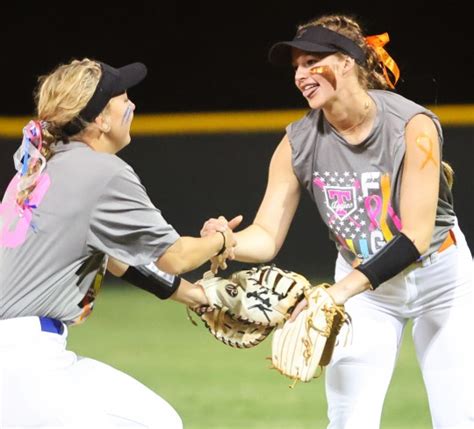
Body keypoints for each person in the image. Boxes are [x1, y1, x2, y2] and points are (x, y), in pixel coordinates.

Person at [201, 14, 474, 429]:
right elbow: (267, 236)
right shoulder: (298, 141)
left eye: (312, 62)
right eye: (296, 66)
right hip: (366, 293)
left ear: (347, 62)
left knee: (459, 418)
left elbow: (416, 236)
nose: (301, 75)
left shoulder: (411, 126)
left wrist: (333, 295)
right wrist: (226, 242)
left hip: (441, 282)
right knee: (349, 422)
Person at [0, 58, 235, 428]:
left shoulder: (41, 164)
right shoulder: (102, 171)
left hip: (26, 354)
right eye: (122, 98)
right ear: (101, 120)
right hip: (24, 362)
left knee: (156, 420)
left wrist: (195, 296)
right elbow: (176, 257)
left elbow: (117, 260)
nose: (132, 105)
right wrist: (221, 239)